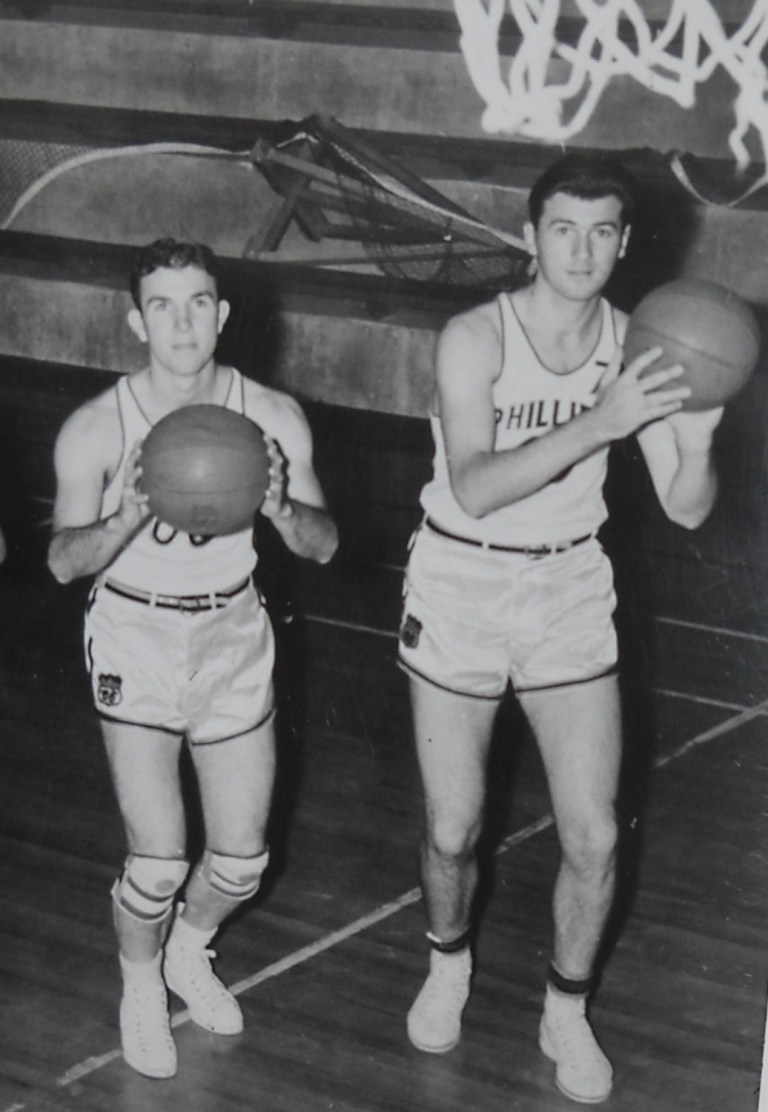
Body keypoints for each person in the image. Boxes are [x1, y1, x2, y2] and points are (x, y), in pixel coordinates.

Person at [398, 154, 722, 1104]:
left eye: (602, 232)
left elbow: (689, 509)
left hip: (568, 588)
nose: (581, 251)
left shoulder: (644, 342)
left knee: (592, 833)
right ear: (531, 237)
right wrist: (600, 421)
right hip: (461, 578)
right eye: (563, 230)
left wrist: (695, 443)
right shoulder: (474, 337)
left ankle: (565, 1009)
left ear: (624, 244)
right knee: (454, 829)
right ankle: (447, 962)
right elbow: (478, 484)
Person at [47, 238, 338, 1080]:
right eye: (164, 305)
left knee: (243, 861)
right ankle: (141, 984)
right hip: (136, 636)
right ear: (137, 319)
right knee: (160, 856)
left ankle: (188, 949)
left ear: (224, 313)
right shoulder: (99, 426)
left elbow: (323, 547)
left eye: (199, 302)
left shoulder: (274, 416)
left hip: (234, 633)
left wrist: (284, 508)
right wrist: (127, 515)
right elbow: (64, 561)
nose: (183, 322)